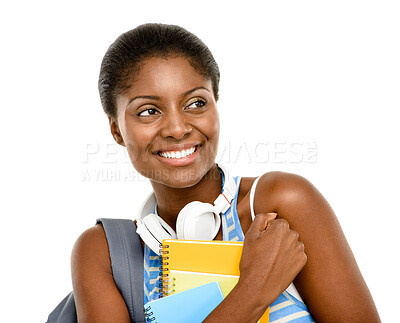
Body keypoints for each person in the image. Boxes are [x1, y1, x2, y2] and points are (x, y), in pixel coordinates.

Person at [71, 23, 380, 322]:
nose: (178, 129)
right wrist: (255, 287)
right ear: (117, 131)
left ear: (215, 105)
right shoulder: (105, 254)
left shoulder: (280, 206)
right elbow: (253, 292)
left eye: (195, 103)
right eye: (149, 111)